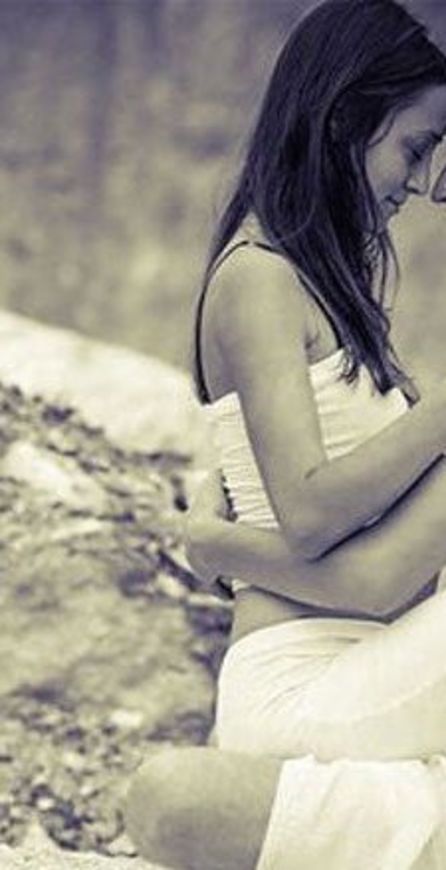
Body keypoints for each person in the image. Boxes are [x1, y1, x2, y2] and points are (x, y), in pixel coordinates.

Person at [124, 1, 446, 867]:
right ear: (344, 120)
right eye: (415, 148)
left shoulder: (318, 287)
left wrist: (217, 545)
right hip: (308, 683)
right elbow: (311, 516)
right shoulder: (258, 279)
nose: (423, 185)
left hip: (379, 670)